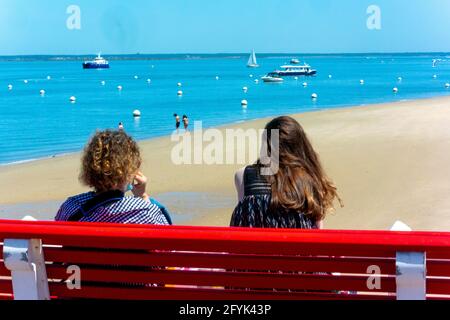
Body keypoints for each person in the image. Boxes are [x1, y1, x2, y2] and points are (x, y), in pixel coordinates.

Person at [231, 116, 342, 229]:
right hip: (297, 246)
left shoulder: (243, 176)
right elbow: (318, 230)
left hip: (255, 246)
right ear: (300, 146)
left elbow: (243, 222)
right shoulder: (311, 178)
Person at [55, 130, 172, 225]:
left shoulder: (71, 207)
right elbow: (168, 246)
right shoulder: (145, 212)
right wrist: (143, 196)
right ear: (127, 171)